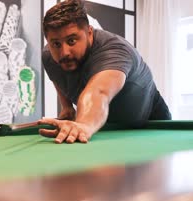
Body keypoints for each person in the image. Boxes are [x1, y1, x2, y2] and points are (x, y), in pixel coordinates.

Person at [38, 0, 171, 144]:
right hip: (100, 127)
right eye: (56, 44)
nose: (64, 52)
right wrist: (67, 107)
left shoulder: (115, 51)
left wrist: (83, 125)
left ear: (89, 32)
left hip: (149, 125)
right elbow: (58, 77)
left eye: (71, 41)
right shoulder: (49, 56)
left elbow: (98, 92)